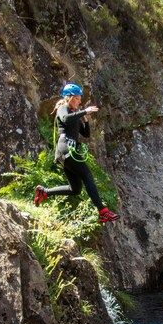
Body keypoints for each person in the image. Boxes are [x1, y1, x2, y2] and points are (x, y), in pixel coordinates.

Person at [34, 83, 119, 223]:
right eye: (77, 99)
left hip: (68, 151)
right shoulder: (63, 108)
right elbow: (66, 119)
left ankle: (45, 192)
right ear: (70, 98)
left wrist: (85, 120)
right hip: (66, 148)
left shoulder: (75, 115)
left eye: (80, 99)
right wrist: (84, 112)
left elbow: (86, 134)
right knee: (87, 175)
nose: (79, 101)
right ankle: (103, 211)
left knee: (75, 189)